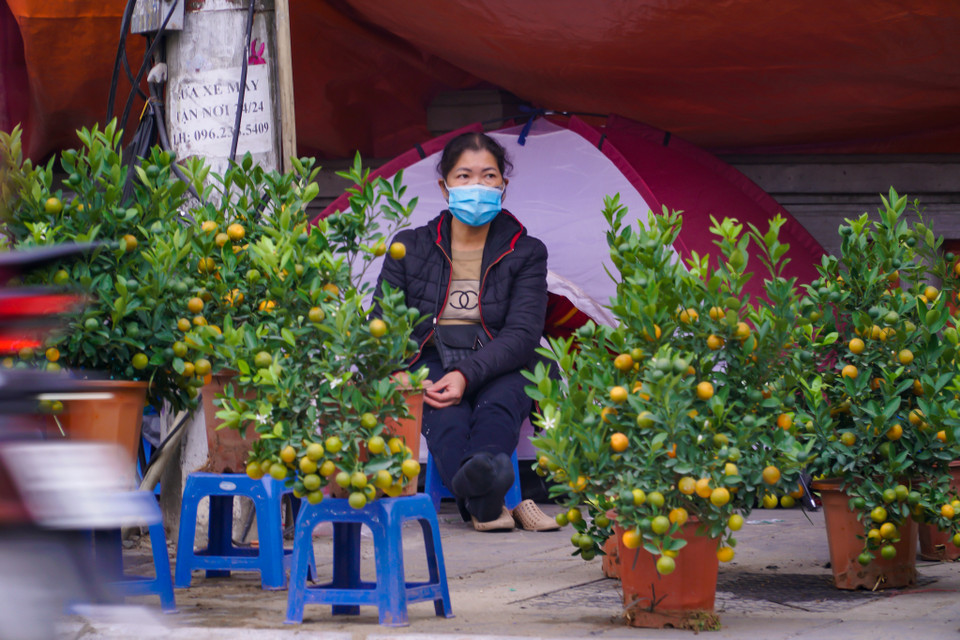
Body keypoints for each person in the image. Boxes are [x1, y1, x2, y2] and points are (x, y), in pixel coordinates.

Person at [374, 132, 558, 532]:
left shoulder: (526, 251)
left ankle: (484, 501)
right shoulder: (409, 247)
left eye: (489, 176)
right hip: (431, 357)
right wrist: (399, 372)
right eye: (464, 176)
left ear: (503, 187)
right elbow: (381, 324)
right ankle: (489, 497)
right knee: (448, 420)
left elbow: (523, 333)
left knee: (498, 409)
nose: (477, 186)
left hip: (503, 358)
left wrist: (466, 374)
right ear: (444, 186)